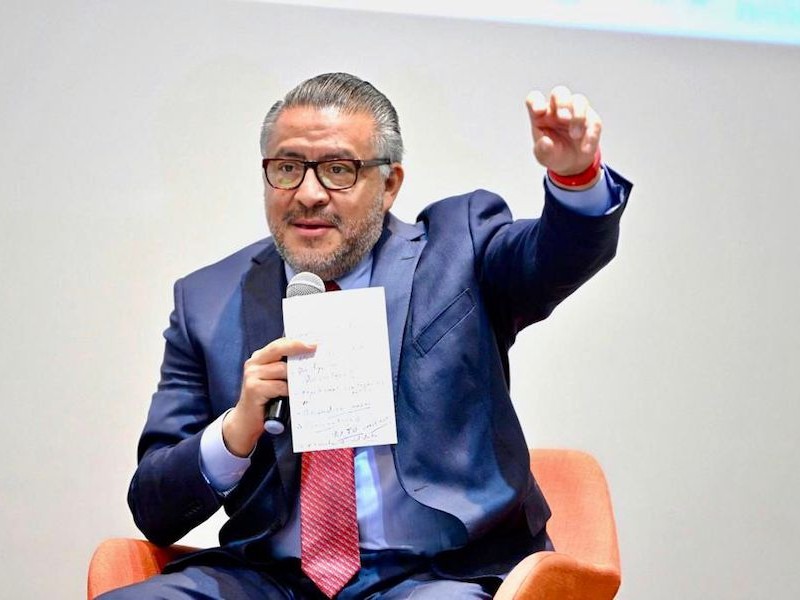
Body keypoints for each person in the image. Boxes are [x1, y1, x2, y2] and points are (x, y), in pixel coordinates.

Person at [104, 72, 631, 599]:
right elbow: (154, 508)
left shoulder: (458, 251)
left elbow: (555, 258)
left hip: (436, 576)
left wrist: (577, 179)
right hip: (269, 581)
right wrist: (234, 432)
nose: (309, 194)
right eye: (287, 168)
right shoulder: (207, 301)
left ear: (389, 184)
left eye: (339, 170)